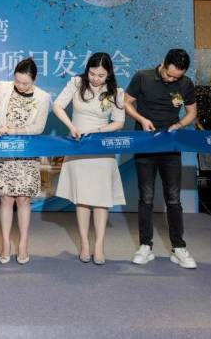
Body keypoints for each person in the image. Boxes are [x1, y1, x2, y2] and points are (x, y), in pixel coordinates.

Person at [124, 48, 198, 269]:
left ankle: (179, 248)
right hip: (145, 144)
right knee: (146, 197)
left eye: (176, 77)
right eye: (169, 75)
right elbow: (126, 102)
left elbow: (192, 113)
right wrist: (141, 119)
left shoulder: (186, 83)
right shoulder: (143, 76)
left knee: (173, 198)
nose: (172, 79)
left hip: (170, 146)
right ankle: (145, 246)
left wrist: (179, 125)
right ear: (163, 63)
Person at [53, 52, 126, 265]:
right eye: (92, 73)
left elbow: (119, 122)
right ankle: (85, 244)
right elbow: (57, 106)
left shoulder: (116, 91)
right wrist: (71, 126)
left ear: (109, 74)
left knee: (101, 199)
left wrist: (99, 131)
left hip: (101, 148)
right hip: (79, 147)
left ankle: (99, 245)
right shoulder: (76, 83)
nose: (95, 78)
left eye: (101, 75)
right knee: (82, 197)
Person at [0, 57, 51, 265]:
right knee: (6, 199)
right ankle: (5, 243)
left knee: (23, 199)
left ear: (34, 80)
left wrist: (13, 130)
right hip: (3, 153)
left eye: (25, 83)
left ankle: (23, 243)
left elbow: (38, 128)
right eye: (17, 81)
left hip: (26, 153)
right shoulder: (3, 87)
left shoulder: (43, 97)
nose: (20, 86)